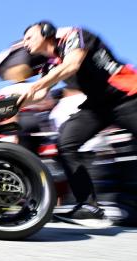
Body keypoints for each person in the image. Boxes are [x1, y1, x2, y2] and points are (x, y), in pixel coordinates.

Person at [21, 21, 137, 225]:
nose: (25, 44)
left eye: (29, 37)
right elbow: (39, 94)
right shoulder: (50, 63)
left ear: (46, 32)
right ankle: (88, 206)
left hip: (126, 95)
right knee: (66, 141)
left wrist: (38, 84)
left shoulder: (74, 36)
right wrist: (10, 105)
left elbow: (72, 64)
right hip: (97, 105)